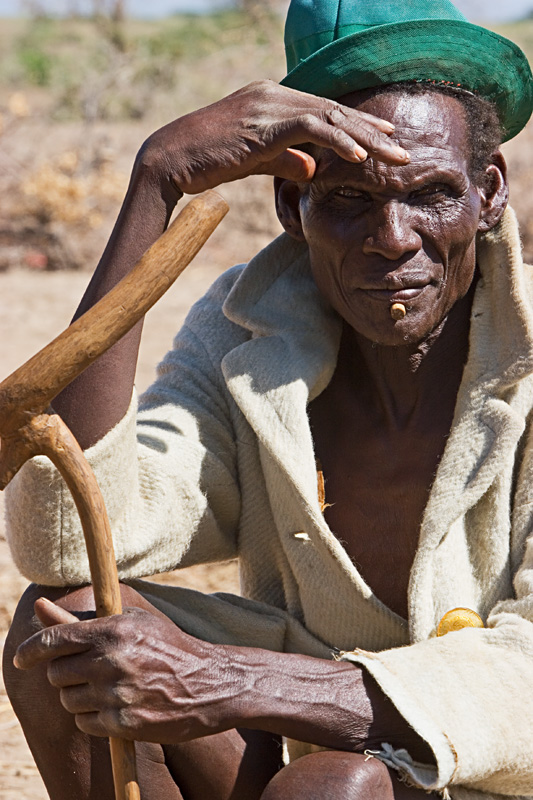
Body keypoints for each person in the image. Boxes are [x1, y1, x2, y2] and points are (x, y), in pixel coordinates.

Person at [3, 0, 533, 798]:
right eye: (348, 199)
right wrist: (155, 182)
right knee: (69, 634)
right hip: (318, 749)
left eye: (430, 193)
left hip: (491, 768)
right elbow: (71, 546)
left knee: (331, 788)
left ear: (488, 194)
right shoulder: (251, 330)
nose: (392, 238)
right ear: (291, 205)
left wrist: (230, 682)